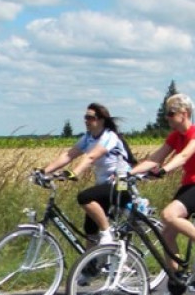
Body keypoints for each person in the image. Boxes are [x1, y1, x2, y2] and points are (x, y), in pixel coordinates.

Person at [130, 93, 195, 295]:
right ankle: (177, 281)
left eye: (171, 113)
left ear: (185, 113)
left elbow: (183, 156)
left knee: (168, 214)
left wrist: (163, 170)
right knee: (166, 234)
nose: (167, 117)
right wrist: (129, 173)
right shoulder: (175, 136)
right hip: (190, 185)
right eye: (167, 113)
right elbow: (156, 157)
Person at [40, 103, 132, 245]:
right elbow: (69, 155)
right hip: (104, 184)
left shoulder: (109, 136)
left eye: (90, 117)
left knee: (84, 197)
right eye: (85, 117)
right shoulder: (89, 137)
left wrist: (74, 172)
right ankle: (91, 259)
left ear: (101, 120)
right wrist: (43, 172)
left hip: (121, 182)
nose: (86, 121)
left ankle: (107, 233)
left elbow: (91, 157)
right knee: (90, 229)